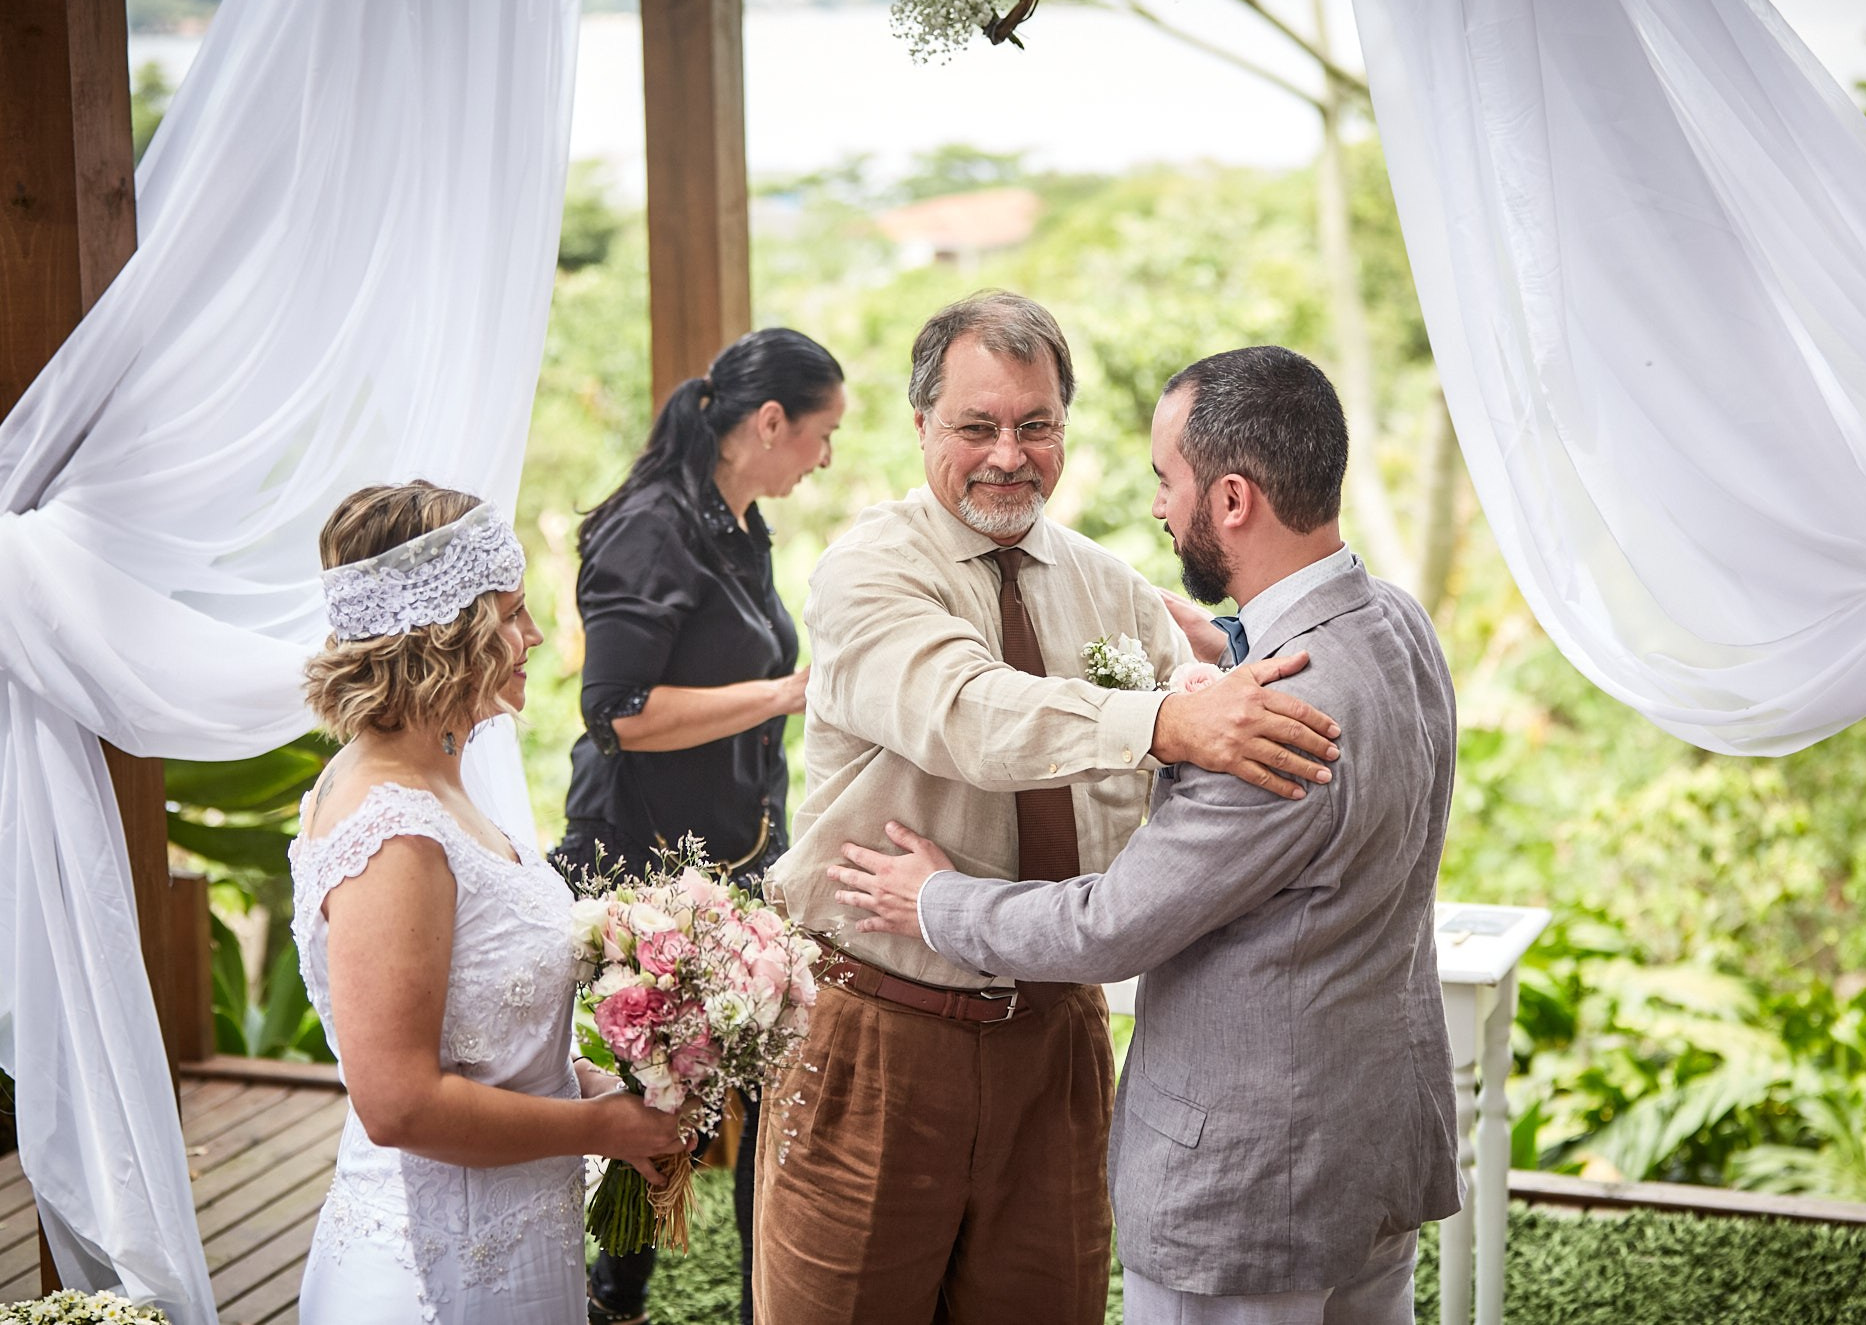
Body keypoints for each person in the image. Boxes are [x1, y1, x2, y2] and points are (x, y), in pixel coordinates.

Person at [828, 346, 1463, 1325]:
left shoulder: (1268, 720)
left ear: (1234, 500)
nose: (1161, 509)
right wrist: (1228, 643)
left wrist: (930, 901)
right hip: (1371, 1150)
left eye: (1169, 482)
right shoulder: (1393, 622)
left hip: (1254, 1191)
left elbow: (1110, 928)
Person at [292, 481, 686, 1325]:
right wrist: (598, 1131)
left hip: (513, 1242)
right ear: (445, 638)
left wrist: (593, 1084)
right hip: (435, 1277)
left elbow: (476, 1035)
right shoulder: (393, 832)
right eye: (511, 613)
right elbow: (399, 1104)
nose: (535, 634)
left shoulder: (441, 780)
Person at [556, 327, 845, 1325]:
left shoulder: (735, 520)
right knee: (663, 1102)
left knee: (760, 1089)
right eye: (820, 435)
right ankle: (617, 1294)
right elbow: (620, 714)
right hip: (645, 861)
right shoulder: (650, 527)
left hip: (735, 853)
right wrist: (784, 696)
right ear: (768, 422)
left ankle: (770, 1299)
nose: (824, 458)